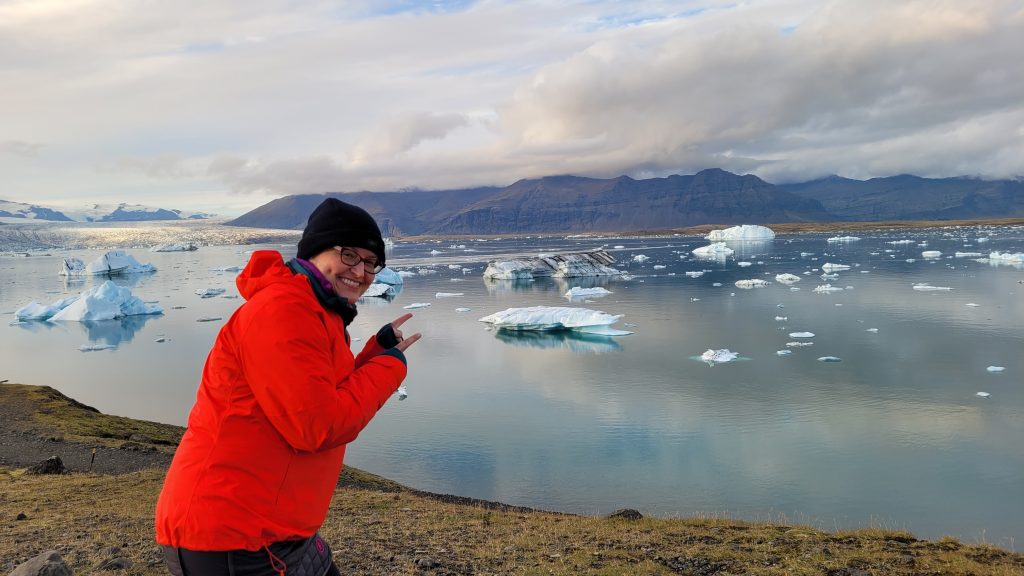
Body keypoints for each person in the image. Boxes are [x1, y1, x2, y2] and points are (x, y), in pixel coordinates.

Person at [155, 198, 420, 575]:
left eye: (370, 262)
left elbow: (319, 394)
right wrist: (389, 369)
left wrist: (376, 354)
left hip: (274, 530)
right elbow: (317, 425)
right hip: (234, 536)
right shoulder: (284, 311)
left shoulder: (315, 310)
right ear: (315, 252)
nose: (361, 271)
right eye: (349, 256)